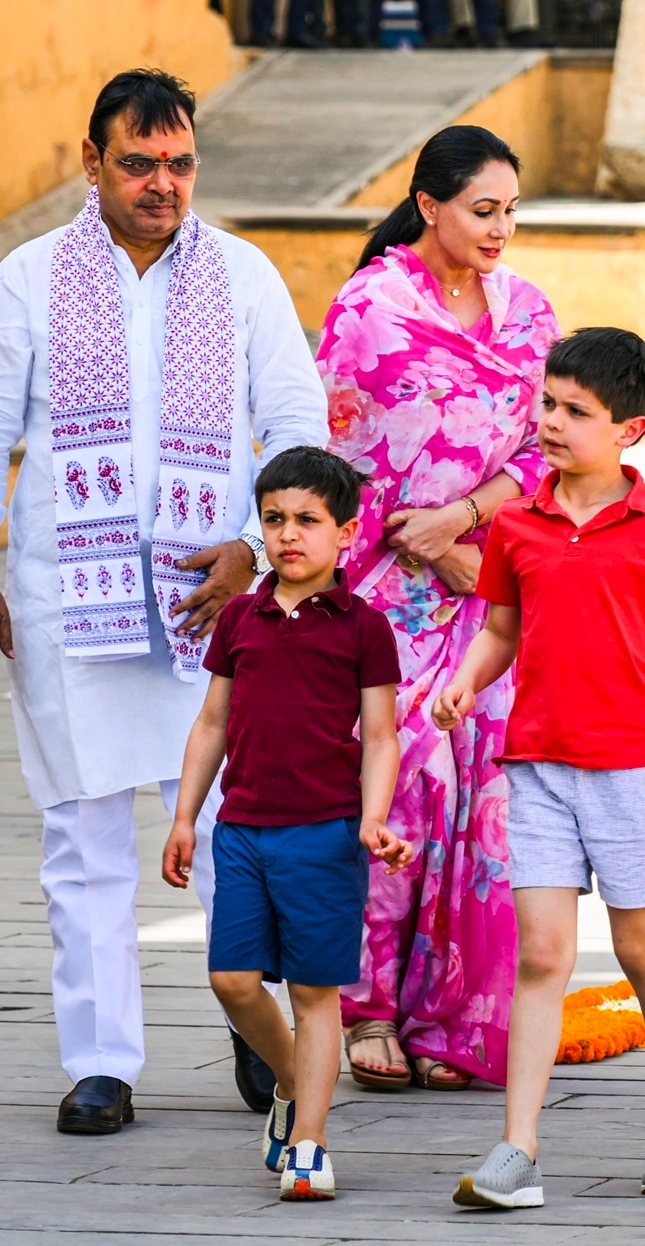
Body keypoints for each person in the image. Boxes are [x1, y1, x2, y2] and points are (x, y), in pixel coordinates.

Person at [0, 69, 328, 1133]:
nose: (163, 184)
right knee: (84, 835)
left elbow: (299, 425)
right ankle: (101, 1060)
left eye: (180, 163)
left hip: (216, 607)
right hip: (69, 598)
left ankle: (261, 1040)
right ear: (91, 162)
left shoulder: (244, 276)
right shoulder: (28, 279)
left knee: (227, 827)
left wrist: (258, 548)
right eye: (140, 163)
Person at [440, 327, 645, 1209]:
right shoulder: (517, 524)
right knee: (541, 956)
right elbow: (499, 631)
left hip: (629, 772)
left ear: (630, 429)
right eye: (548, 403)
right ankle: (518, 1148)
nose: (552, 422)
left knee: (641, 946)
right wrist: (464, 684)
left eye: (577, 411)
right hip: (534, 767)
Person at [319, 125, 560, 1093]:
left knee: (492, 807)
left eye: (510, 211)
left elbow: (553, 446)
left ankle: (458, 1017)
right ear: (429, 206)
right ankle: (367, 1006)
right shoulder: (369, 308)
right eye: (482, 210)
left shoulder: (529, 313)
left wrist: (469, 525)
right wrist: (411, 545)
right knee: (405, 782)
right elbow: (339, 459)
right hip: (386, 590)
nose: (501, 229)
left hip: (494, 587)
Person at [162, 447, 411, 1201]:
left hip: (326, 835)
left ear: (346, 532)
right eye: (274, 520)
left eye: (307, 520)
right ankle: (292, 1084)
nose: (287, 535)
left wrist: (372, 819)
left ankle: (309, 1139)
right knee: (232, 980)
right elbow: (212, 724)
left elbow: (381, 737)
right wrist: (184, 818)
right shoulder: (241, 616)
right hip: (241, 829)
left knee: (313, 993)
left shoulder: (365, 628)